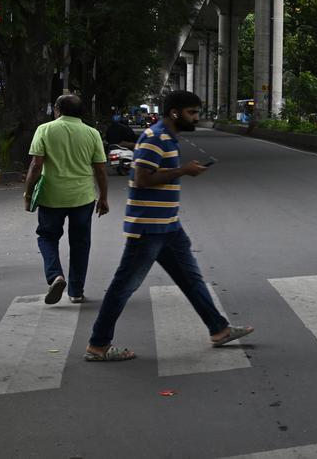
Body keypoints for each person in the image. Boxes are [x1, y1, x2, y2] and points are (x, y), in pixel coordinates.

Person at [85, 91, 253, 362]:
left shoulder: (169, 138)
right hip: (149, 228)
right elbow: (142, 178)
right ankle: (98, 345)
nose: (196, 118)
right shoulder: (155, 137)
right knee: (123, 286)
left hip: (168, 226)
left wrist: (184, 171)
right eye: (192, 113)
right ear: (175, 112)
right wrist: (183, 171)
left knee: (191, 279)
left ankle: (219, 329)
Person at [24, 94, 110, 304]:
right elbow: (100, 170)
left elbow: (36, 166)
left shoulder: (45, 130)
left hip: (51, 197)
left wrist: (28, 194)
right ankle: (76, 292)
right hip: (82, 198)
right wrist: (104, 198)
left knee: (47, 237)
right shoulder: (92, 133)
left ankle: (56, 276)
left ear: (57, 109)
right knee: (80, 243)